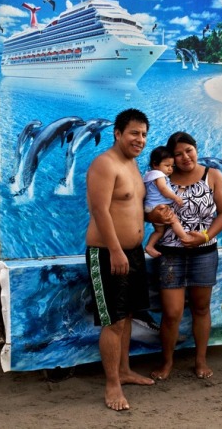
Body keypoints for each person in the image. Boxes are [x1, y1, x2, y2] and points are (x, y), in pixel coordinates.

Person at [84, 108, 155, 411]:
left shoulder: (133, 165)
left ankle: (124, 371)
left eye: (143, 134)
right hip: (107, 253)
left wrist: (154, 216)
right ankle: (112, 384)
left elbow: (130, 209)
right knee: (113, 321)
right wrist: (115, 249)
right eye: (134, 133)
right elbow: (99, 210)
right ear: (117, 133)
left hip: (133, 253)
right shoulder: (105, 164)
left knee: (126, 316)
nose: (139, 139)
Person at [150, 131, 222, 381]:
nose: (185, 157)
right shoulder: (163, 177)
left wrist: (204, 236)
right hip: (170, 254)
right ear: (171, 157)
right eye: (178, 153)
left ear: (196, 149)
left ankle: (200, 360)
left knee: (200, 308)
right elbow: (147, 208)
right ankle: (167, 362)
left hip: (204, 253)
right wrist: (152, 217)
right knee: (172, 312)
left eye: (189, 150)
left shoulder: (213, 176)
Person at [142, 146, 190, 258]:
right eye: (167, 166)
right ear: (155, 164)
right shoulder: (159, 175)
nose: (170, 169)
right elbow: (163, 189)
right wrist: (175, 198)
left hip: (150, 207)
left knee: (159, 231)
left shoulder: (148, 176)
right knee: (174, 221)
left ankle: (149, 246)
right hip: (159, 207)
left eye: (172, 166)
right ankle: (185, 238)